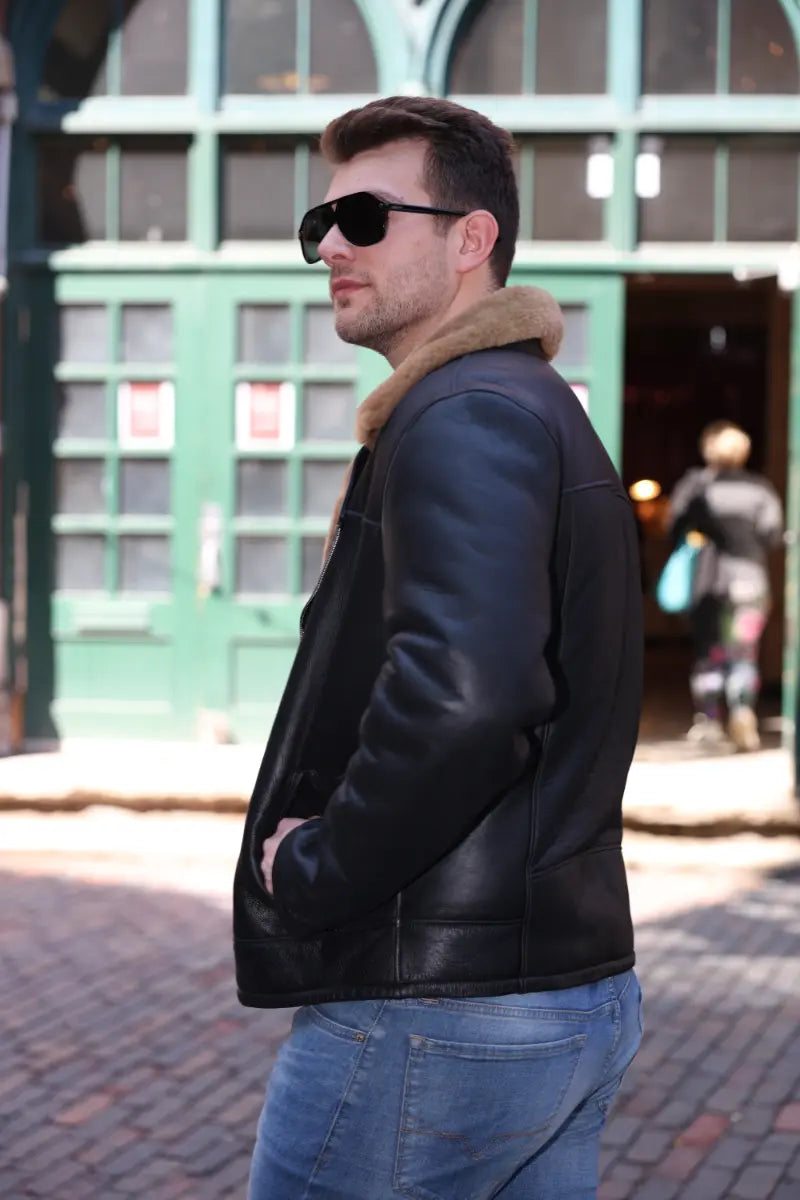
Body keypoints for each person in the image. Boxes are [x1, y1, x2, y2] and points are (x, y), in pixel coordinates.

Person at [234, 95, 643, 1200]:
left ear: (471, 240)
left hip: (437, 1007)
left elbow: (465, 700)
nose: (331, 245)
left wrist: (317, 869)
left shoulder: (464, 414)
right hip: (537, 990)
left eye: (366, 217)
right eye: (320, 220)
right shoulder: (516, 403)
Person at [667, 420, 783, 752]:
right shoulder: (760, 489)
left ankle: (709, 720)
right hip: (750, 581)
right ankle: (743, 711)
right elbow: (772, 534)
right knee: (744, 651)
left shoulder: (696, 486)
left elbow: (674, 526)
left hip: (709, 580)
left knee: (709, 652)